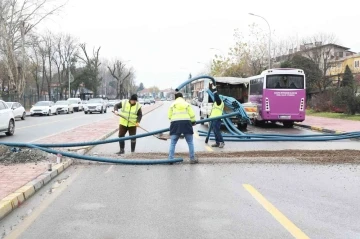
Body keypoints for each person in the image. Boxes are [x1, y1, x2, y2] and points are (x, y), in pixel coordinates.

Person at [168, 92, 198, 164]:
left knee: (173, 143)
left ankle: (170, 159)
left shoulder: (172, 105)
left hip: (175, 124)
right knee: (190, 142)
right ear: (182, 97)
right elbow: (192, 115)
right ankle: (192, 159)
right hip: (186, 123)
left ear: (176, 98)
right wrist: (193, 122)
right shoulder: (187, 104)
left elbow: (169, 116)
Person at [209, 83, 225, 148]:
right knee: (215, 131)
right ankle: (217, 143)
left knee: (217, 131)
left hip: (217, 118)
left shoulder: (220, 102)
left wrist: (214, 90)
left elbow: (216, 97)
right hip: (213, 118)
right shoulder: (215, 103)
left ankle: (222, 142)